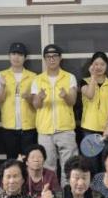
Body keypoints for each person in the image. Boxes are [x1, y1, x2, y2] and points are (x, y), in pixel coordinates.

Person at [31, 44, 78, 182]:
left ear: (60, 58)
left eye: (55, 56)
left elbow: (72, 101)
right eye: (48, 57)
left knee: (69, 165)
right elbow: (35, 105)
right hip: (45, 129)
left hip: (65, 128)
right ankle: (50, 193)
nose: (52, 59)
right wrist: (40, 98)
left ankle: (68, 192)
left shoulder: (69, 77)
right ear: (45, 59)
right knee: (47, 166)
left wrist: (65, 96)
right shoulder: (37, 79)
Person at [0, 42, 37, 159]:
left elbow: (37, 103)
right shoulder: (1, 75)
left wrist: (28, 97)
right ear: (9, 56)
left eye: (20, 54)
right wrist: (2, 86)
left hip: (28, 127)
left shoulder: (33, 76)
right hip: (9, 127)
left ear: (25, 58)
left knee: (29, 160)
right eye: (14, 54)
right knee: (11, 160)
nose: (16, 57)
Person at [80, 52, 108, 173]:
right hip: (89, 129)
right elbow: (90, 95)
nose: (99, 67)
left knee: (106, 164)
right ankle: (92, 185)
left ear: (107, 66)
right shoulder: (84, 81)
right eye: (96, 64)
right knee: (91, 164)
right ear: (91, 65)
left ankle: (104, 185)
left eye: (102, 64)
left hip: (106, 130)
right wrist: (93, 77)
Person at [41, 155, 105, 198]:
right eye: (76, 178)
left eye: (84, 178)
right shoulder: (56, 196)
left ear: (90, 179)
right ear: (68, 179)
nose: (80, 183)